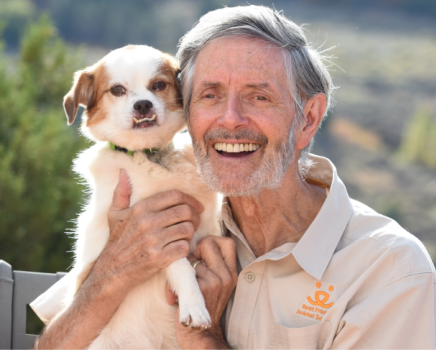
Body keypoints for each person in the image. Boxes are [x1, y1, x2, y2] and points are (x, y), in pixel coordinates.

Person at [33, 5, 436, 349]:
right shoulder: (168, 211)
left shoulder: (389, 271)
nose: (230, 120)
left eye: (258, 97)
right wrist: (113, 273)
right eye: (209, 96)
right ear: (185, 112)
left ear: (308, 118)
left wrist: (205, 339)